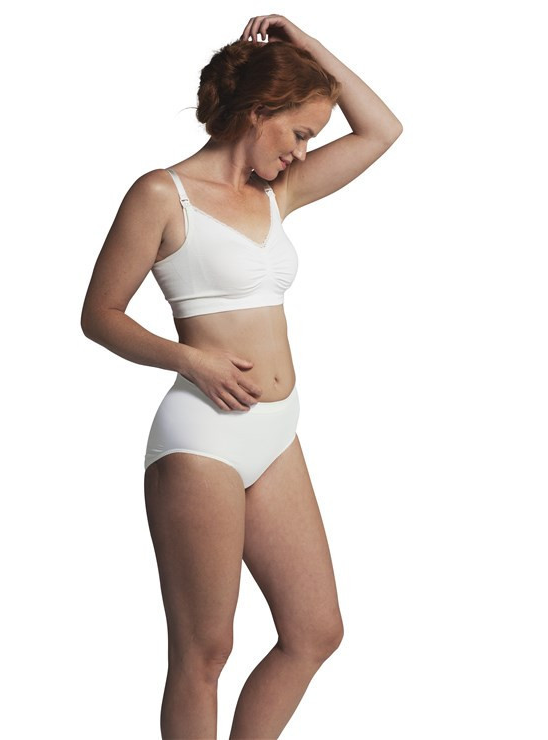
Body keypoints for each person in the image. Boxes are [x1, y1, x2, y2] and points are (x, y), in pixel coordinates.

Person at [81, 14, 402, 739]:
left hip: (277, 432)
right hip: (203, 439)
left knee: (315, 630)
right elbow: (99, 314)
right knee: (204, 652)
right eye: (299, 133)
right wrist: (190, 358)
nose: (302, 153)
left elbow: (383, 130)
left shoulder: (275, 193)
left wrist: (307, 50)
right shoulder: (162, 195)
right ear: (258, 112)